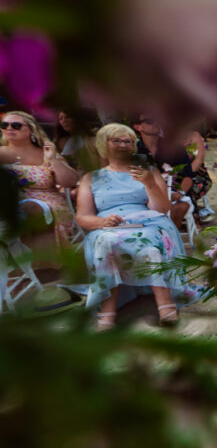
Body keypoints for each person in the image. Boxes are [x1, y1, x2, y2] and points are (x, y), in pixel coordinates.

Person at [74, 124, 199, 329]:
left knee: (151, 241)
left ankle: (165, 307)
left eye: (128, 141)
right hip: (108, 226)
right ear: (103, 144)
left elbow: (162, 209)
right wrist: (101, 222)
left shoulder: (148, 171)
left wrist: (149, 183)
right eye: (117, 140)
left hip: (148, 220)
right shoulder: (91, 178)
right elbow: (83, 217)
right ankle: (107, 313)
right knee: (106, 243)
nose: (124, 144)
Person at [0, 110, 80, 256]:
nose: (9, 128)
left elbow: (70, 182)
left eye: (16, 125)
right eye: (4, 125)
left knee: (27, 208)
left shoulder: (46, 152)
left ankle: (34, 264)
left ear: (31, 129)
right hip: (10, 202)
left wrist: (53, 160)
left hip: (46, 200)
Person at [133, 115, 192, 228]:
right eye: (150, 120)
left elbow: (188, 176)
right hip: (146, 195)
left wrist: (180, 192)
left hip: (174, 193)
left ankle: (170, 238)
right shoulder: (135, 150)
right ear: (137, 127)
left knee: (180, 207)